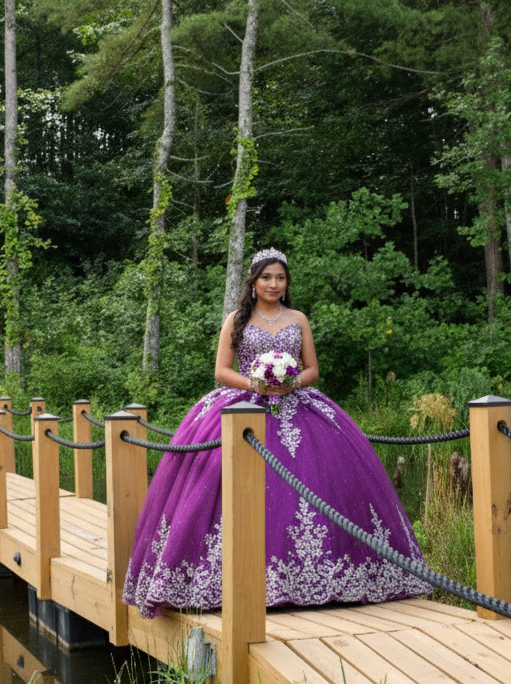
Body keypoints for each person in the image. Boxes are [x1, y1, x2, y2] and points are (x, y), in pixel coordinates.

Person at [122, 247, 433, 618]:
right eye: (266, 277)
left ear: (286, 284)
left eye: (280, 278)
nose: (273, 284)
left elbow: (312, 369)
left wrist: (290, 382)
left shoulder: (298, 318)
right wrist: (257, 384)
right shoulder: (236, 319)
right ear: (253, 281)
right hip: (243, 407)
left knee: (322, 481)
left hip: (296, 403)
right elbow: (221, 371)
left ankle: (329, 581)